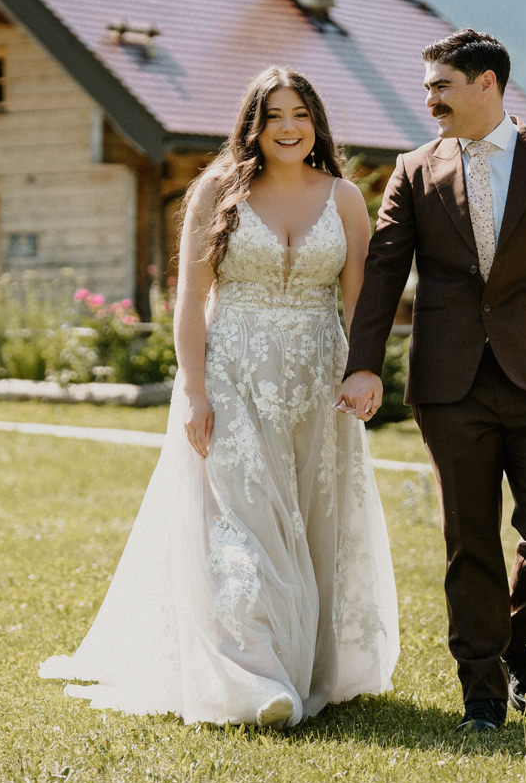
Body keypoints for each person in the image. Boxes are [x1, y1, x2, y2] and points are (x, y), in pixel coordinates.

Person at [40, 67, 398, 728]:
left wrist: (365, 371)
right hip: (231, 376)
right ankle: (253, 677)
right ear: (252, 126)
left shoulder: (344, 198)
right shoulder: (217, 191)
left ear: (315, 122)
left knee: (312, 524)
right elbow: (189, 302)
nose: (287, 128)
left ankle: (303, 665)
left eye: (299, 114)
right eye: (273, 116)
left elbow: (362, 301)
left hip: (319, 385)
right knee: (243, 522)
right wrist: (196, 390)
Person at [337, 29, 526, 732]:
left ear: (486, 83)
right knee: (470, 540)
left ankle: (518, 644)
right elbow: (386, 271)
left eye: (440, 87)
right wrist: (364, 359)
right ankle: (481, 697)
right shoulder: (413, 170)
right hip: (450, 383)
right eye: (428, 88)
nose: (429, 101)